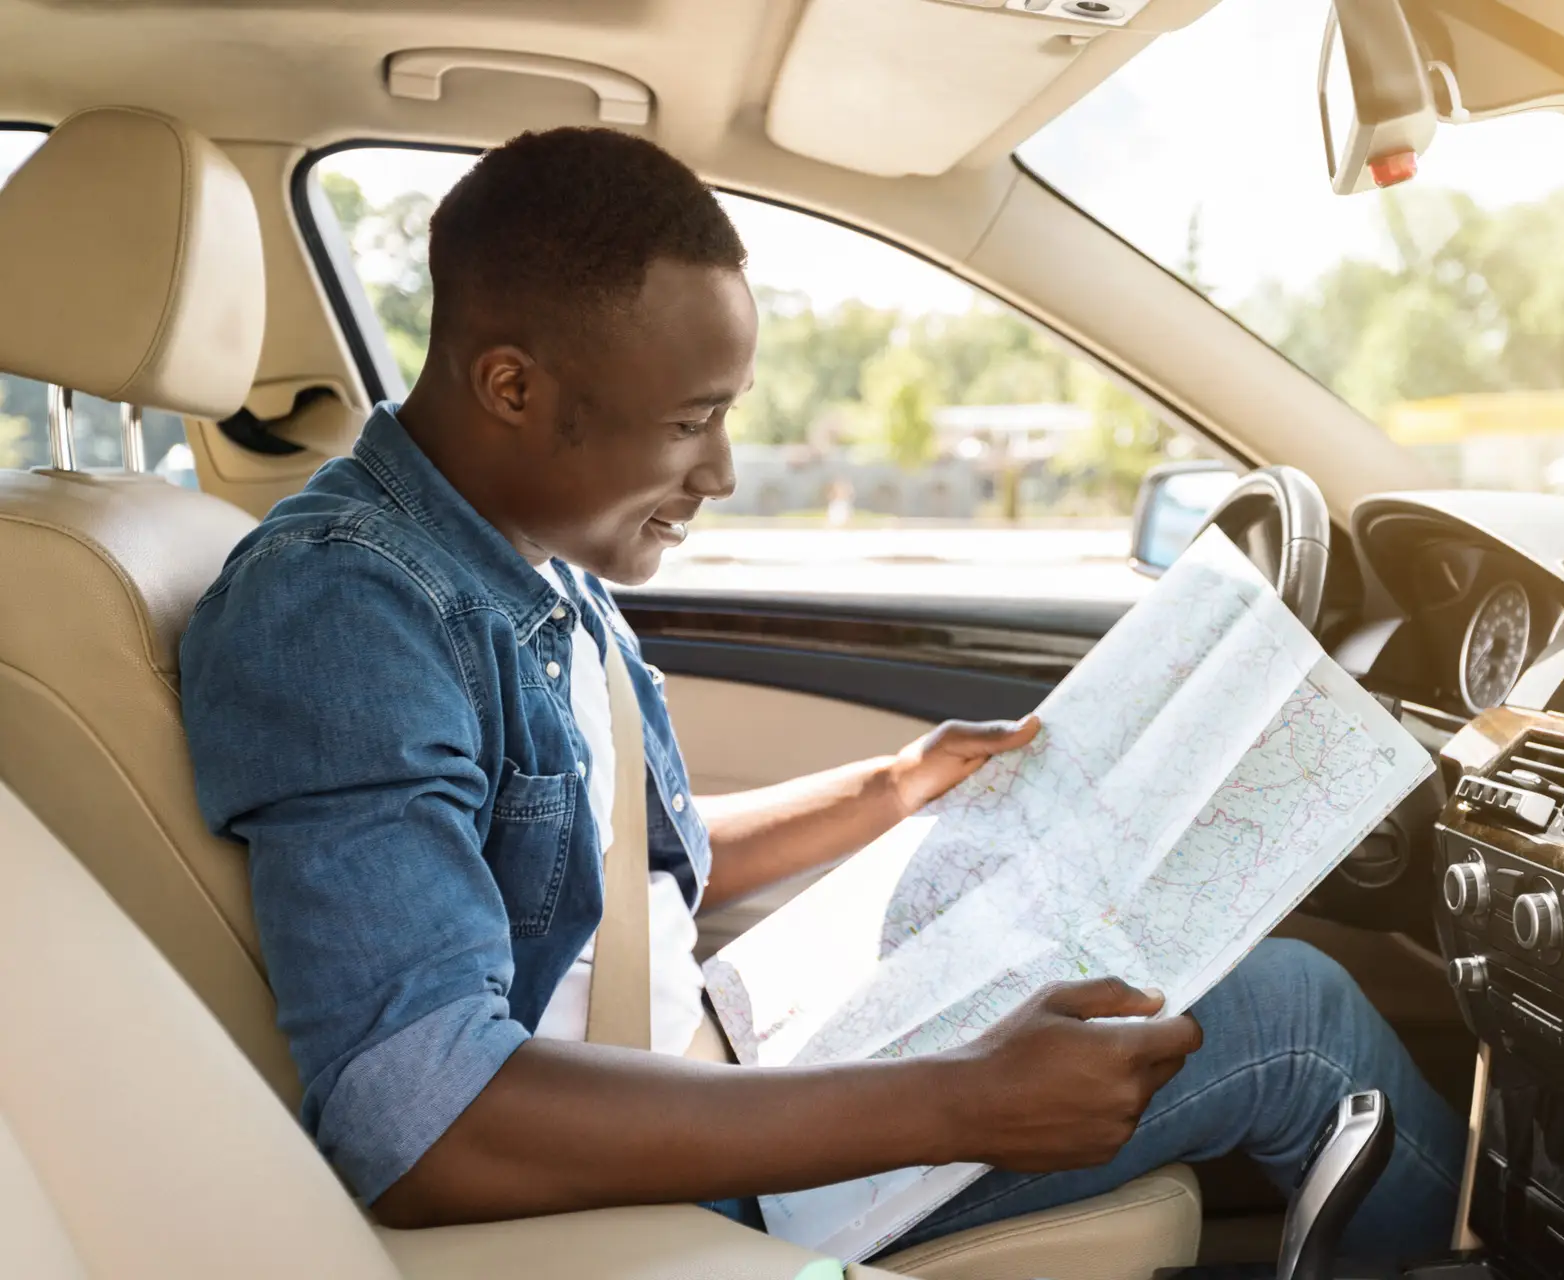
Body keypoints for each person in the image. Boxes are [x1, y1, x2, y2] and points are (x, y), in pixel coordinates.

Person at [179, 126, 1464, 1261]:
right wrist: (959, 1095)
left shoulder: (526, 559)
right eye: (690, 422)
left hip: (710, 1054)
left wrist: (893, 786)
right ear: (511, 386)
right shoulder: (348, 607)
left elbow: (619, 875)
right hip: (653, 1184)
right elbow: (426, 1126)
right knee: (1295, 1015)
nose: (723, 470)